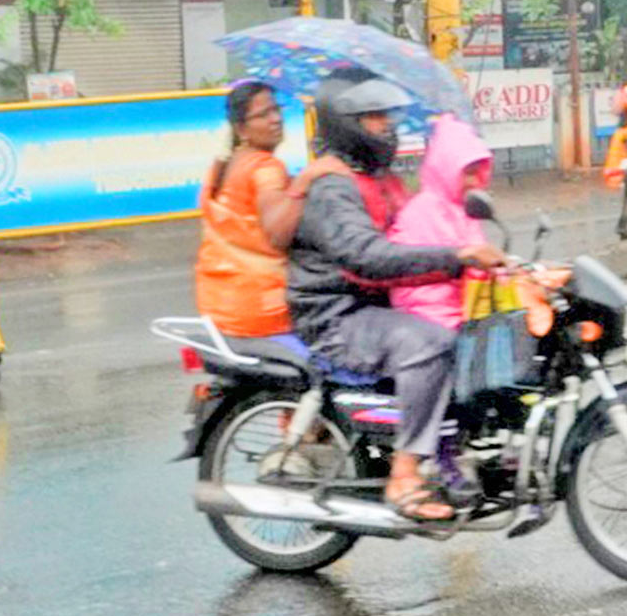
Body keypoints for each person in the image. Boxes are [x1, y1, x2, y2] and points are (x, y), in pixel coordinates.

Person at [288, 69, 504, 520]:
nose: (386, 125)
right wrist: (455, 256)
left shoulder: (378, 178)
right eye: (373, 117)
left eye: (386, 115)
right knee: (430, 344)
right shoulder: (332, 186)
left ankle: (457, 451)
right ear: (345, 122)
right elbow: (366, 257)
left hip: (372, 304)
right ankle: (404, 473)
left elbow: (414, 235)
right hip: (336, 314)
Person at [196, 80, 326, 337]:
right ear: (241, 129)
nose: (276, 119)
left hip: (216, 306)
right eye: (264, 114)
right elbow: (279, 233)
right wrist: (305, 181)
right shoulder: (265, 168)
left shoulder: (221, 167)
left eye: (277, 110)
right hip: (260, 311)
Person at [386, 114, 492, 330]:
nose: (472, 181)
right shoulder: (423, 212)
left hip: (465, 308)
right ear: (446, 169)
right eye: (466, 174)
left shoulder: (463, 209)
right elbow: (417, 282)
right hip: (429, 318)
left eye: (476, 173)